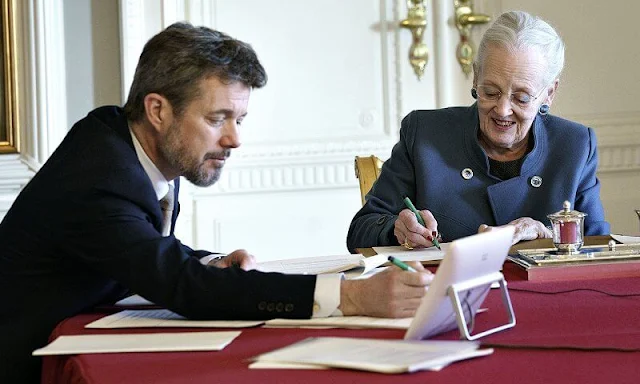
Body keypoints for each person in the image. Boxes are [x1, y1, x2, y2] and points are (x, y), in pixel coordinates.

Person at [0, 23, 432, 383]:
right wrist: (354, 297)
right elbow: (181, 286)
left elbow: (137, 244)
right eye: (216, 119)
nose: (234, 139)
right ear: (157, 110)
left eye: (239, 119)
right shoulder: (100, 176)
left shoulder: (128, 141)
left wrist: (208, 262)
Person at [347, 11, 610, 253]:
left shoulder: (574, 145)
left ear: (548, 93)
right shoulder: (425, 135)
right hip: (443, 297)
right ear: (475, 78)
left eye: (521, 97)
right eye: (490, 92)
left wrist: (548, 233)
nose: (503, 110)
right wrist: (397, 228)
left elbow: (599, 246)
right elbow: (360, 232)